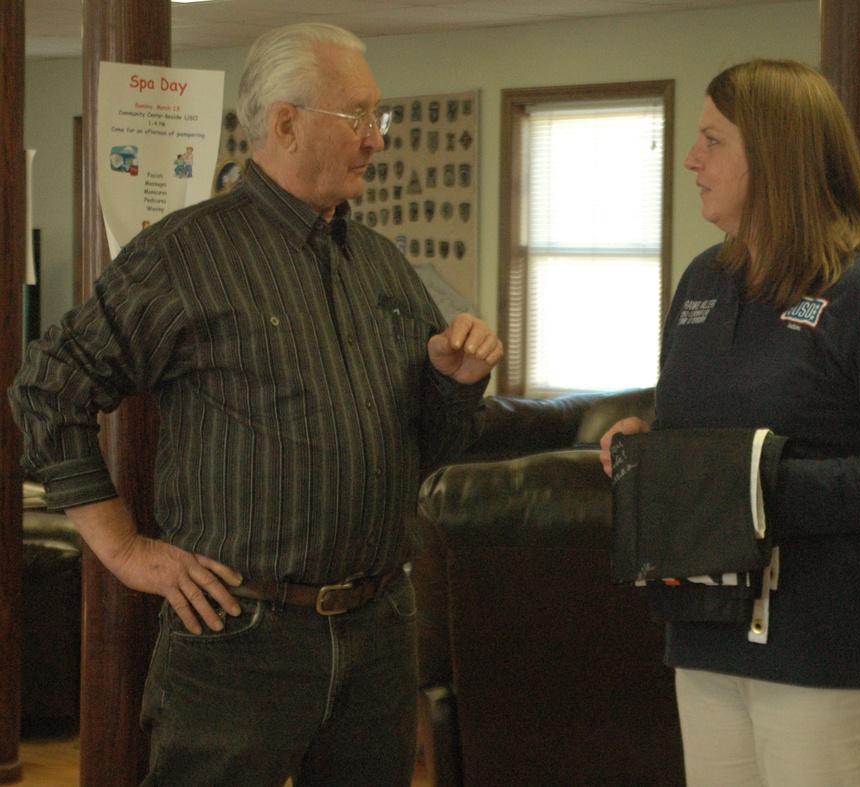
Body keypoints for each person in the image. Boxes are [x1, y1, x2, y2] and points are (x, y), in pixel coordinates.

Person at [9, 22, 502, 786]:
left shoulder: (382, 264)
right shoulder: (185, 255)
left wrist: (454, 382)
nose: (377, 139)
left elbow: (421, 450)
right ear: (285, 123)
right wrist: (124, 551)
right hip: (241, 637)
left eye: (382, 118)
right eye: (361, 118)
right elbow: (49, 386)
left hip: (380, 632)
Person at [599, 59, 860, 786]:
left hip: (828, 655)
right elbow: (703, 422)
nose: (690, 159)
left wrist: (761, 489)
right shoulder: (704, 281)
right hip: (706, 641)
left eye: (712, 140)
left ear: (773, 155)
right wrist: (648, 447)